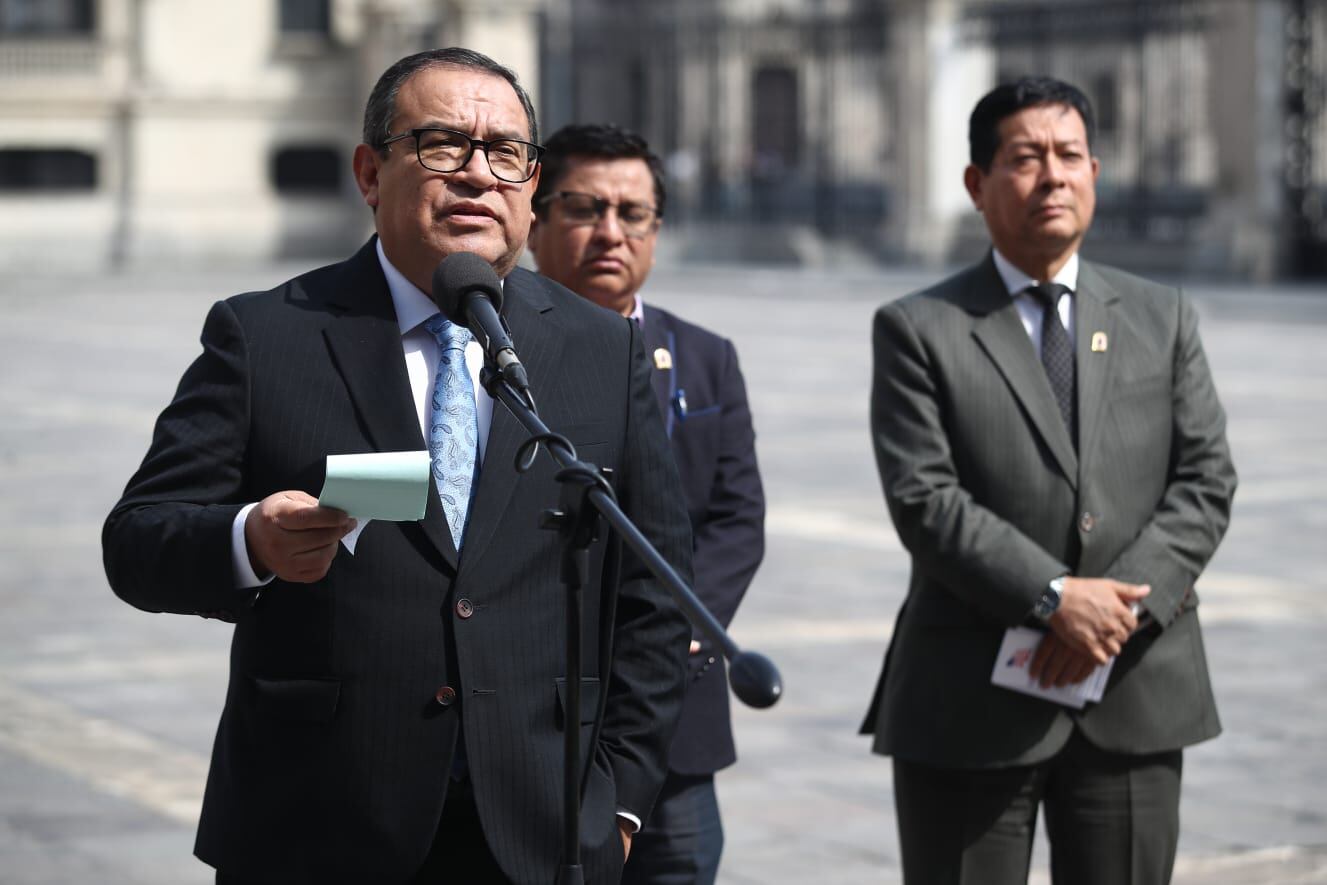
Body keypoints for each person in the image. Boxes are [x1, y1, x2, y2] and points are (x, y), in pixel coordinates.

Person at [102, 48, 693, 885]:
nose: (478, 173)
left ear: (530, 185)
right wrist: (251, 539)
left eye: (506, 152)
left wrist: (620, 804)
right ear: (370, 173)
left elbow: (656, 591)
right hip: (319, 823)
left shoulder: (601, 348)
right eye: (443, 144)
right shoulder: (266, 334)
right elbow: (137, 540)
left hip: (540, 829)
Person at [860, 77, 1236, 885]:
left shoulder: (1161, 316)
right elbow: (925, 499)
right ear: (976, 183)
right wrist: (1053, 597)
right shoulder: (919, 328)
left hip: (1131, 689)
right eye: (1025, 158)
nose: (1052, 176)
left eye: (1069, 155)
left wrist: (1111, 614)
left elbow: (1205, 480)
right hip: (968, 697)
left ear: (1094, 172)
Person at [528, 124, 765, 885]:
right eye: (584, 208)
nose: (611, 232)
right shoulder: (491, 352)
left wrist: (681, 625)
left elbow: (736, 517)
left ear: (656, 230)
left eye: (632, 213)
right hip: (529, 706)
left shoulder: (706, 356)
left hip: (674, 714)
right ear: (533, 221)